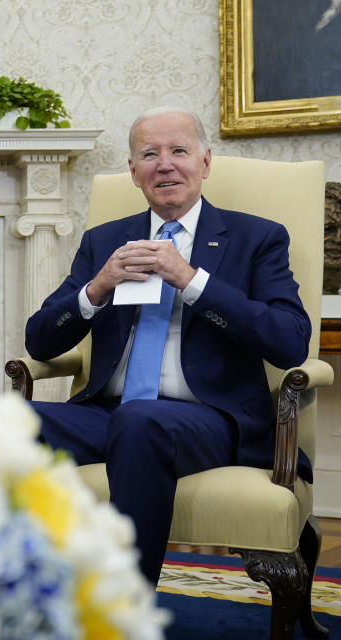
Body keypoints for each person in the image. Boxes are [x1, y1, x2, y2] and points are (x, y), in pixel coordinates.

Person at [24, 106, 311, 584]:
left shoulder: (256, 237)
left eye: (179, 151)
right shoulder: (105, 242)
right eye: (149, 154)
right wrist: (96, 288)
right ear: (134, 172)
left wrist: (193, 280)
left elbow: (290, 342)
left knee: (142, 421)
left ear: (205, 161)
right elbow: (39, 339)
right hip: (107, 413)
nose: (165, 164)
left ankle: (124, 612)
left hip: (211, 418)